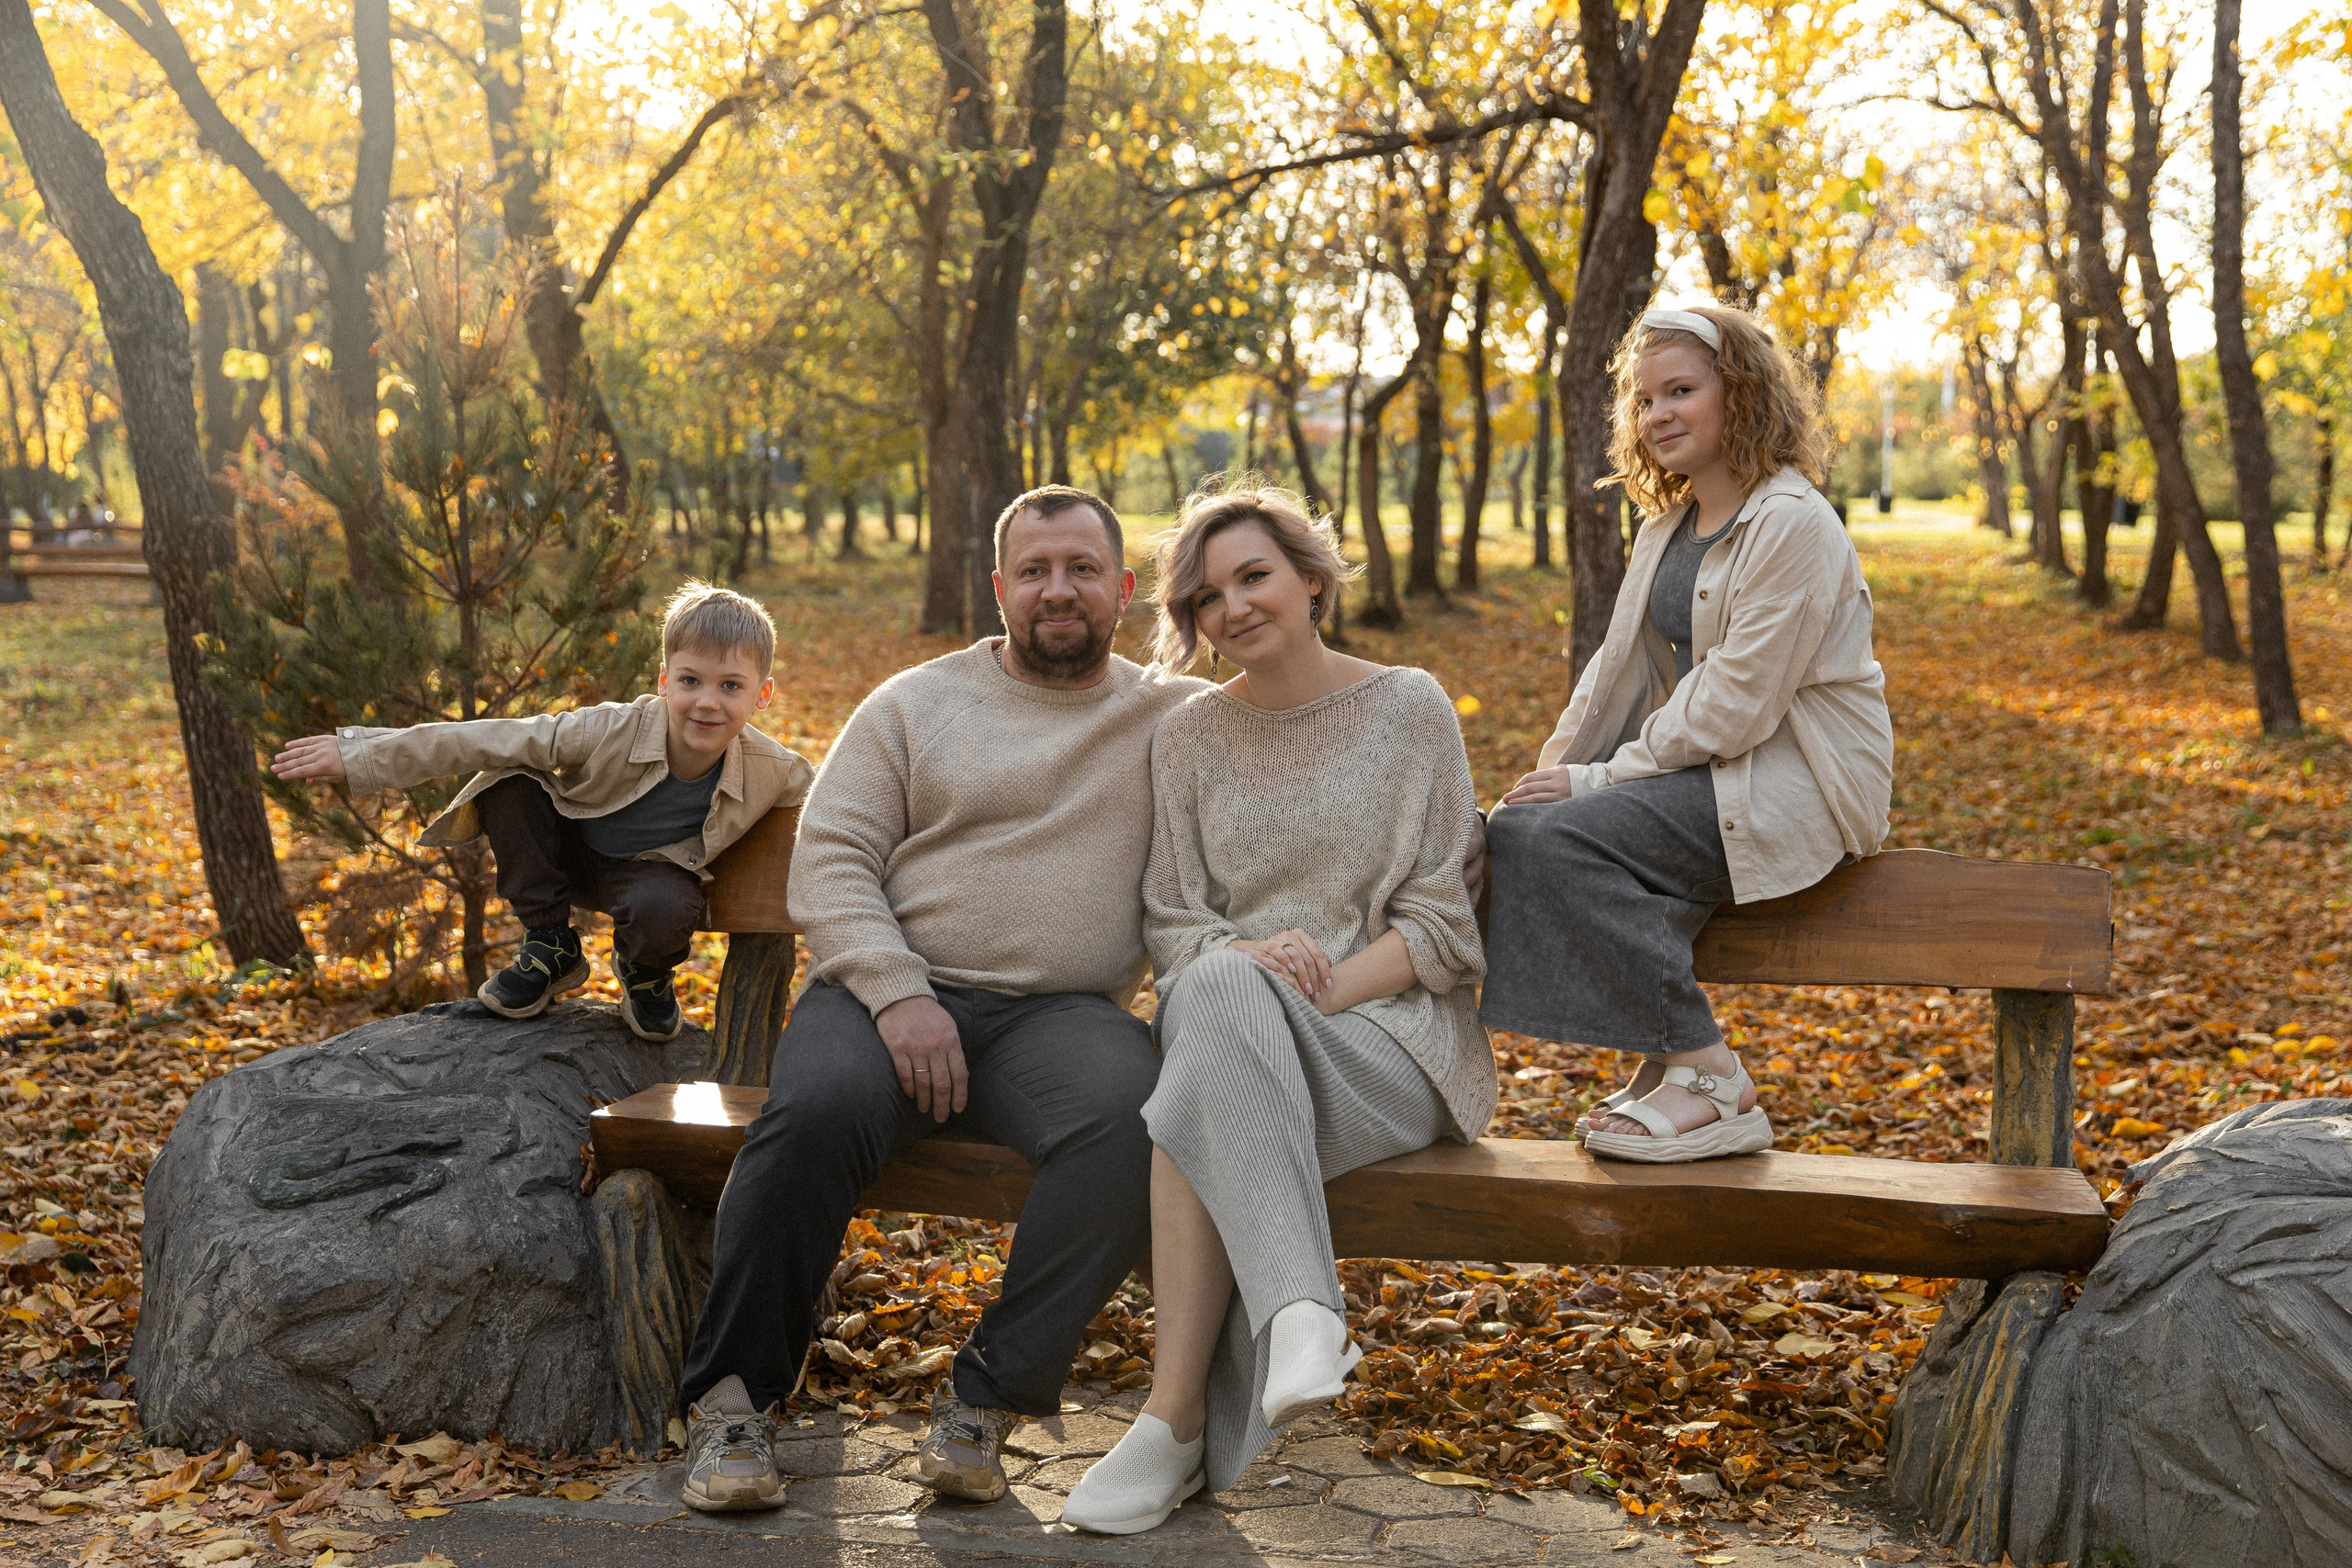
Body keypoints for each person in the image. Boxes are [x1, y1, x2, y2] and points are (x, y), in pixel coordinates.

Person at [671, 486, 1214, 1515]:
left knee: (1136, 1120)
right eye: (1038, 570)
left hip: (1058, 1018)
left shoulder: (1175, 718)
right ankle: (731, 1401)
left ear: (1124, 590)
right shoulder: (916, 703)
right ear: (1000, 587)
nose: (1060, 589)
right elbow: (830, 861)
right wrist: (895, 992)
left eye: (1083, 569)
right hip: (885, 998)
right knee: (814, 1114)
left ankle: (983, 1401)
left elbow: (1292, 746)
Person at [1059, 487, 1492, 1535]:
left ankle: (1171, 1422)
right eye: (1206, 597)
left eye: (1253, 576)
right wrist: (1245, 961)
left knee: (1191, 1103)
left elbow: (1443, 927)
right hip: (1236, 1027)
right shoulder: (1188, 737)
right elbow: (1176, 922)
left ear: (1309, 577)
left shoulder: (1410, 707)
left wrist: (1322, 985)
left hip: (1393, 1046)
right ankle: (1300, 1316)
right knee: (1211, 1011)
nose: (1233, 608)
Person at [1478, 304, 1894, 1164]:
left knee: (1561, 842)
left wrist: (1595, 786)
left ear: (1738, 395)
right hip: (1710, 775)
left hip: (1798, 783)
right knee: (1521, 830)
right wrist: (1551, 775)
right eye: (1643, 399)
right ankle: (1669, 1059)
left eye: (1681, 391)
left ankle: (1712, 1076)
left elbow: (1738, 703)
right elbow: (1614, 675)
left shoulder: (1792, 523)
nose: (1657, 413)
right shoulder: (1666, 527)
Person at [270, 582, 810, 1042]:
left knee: (665, 903)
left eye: (731, 686)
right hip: (567, 855)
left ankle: (645, 973)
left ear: (762, 695)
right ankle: (552, 944)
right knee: (509, 781)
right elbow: (489, 740)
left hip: (649, 875)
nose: (707, 702)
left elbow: (848, 816)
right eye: (691, 681)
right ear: (665, 680)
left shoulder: (776, 770)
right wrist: (362, 753)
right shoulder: (608, 730)